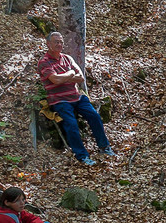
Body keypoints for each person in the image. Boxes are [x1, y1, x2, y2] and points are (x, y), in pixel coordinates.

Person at [36, 33, 116, 166]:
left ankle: (104, 147)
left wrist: (64, 77)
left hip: (77, 97)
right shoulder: (44, 62)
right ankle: (82, 156)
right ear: (48, 44)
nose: (59, 45)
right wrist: (70, 73)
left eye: (61, 42)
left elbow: (81, 77)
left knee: (94, 116)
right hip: (59, 100)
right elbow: (55, 80)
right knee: (71, 124)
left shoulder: (67, 58)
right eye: (56, 42)